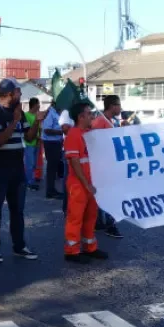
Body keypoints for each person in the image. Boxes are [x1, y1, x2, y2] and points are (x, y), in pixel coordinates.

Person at [0, 78, 43, 263]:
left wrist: (38, 122)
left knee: (18, 210)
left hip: (17, 169)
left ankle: (19, 245)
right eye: (18, 92)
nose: (21, 95)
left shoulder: (19, 113)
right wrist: (14, 122)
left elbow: (29, 136)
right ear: (8, 94)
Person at [64, 103, 109, 263]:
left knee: (91, 217)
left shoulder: (89, 133)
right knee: (76, 218)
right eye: (89, 114)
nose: (92, 117)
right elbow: (75, 162)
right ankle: (72, 251)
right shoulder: (73, 135)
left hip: (91, 184)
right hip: (79, 185)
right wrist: (86, 184)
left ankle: (90, 247)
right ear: (80, 117)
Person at [91, 95, 126, 239]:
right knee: (109, 194)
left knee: (105, 193)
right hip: (102, 165)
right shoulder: (100, 121)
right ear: (112, 106)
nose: (120, 108)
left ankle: (99, 221)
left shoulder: (110, 121)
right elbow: (93, 140)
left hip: (109, 164)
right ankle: (110, 225)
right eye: (118, 105)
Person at [41, 99, 65, 199]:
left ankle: (52, 189)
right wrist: (61, 132)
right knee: (51, 168)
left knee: (54, 167)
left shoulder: (55, 112)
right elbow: (46, 130)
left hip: (56, 142)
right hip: (51, 143)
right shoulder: (50, 113)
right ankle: (50, 191)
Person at [23, 97, 42, 191]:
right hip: (28, 143)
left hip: (36, 143)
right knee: (29, 164)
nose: (40, 106)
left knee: (34, 164)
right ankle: (28, 182)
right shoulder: (26, 115)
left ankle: (31, 180)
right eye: (38, 104)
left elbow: (39, 129)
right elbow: (28, 130)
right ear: (34, 105)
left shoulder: (37, 116)